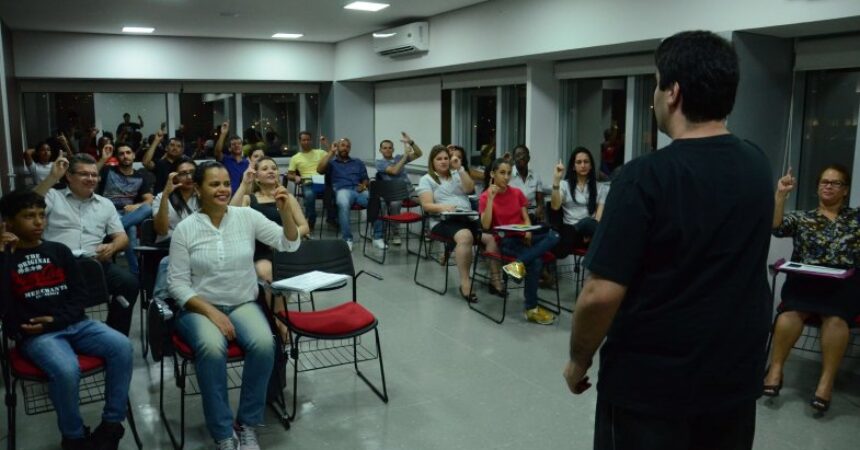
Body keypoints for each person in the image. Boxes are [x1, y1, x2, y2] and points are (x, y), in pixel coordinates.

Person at [563, 31, 773, 450]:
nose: (652, 98)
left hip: (653, 389)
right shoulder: (756, 163)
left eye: (656, 84)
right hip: (734, 376)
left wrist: (578, 359)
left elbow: (599, 295)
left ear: (673, 92)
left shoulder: (643, 177)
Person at [167, 161, 300, 450]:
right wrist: (212, 312)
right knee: (212, 349)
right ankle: (223, 431)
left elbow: (288, 243)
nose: (223, 189)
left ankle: (247, 423)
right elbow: (176, 284)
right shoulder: (186, 229)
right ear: (199, 190)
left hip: (242, 303)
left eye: (226, 183)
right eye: (214, 184)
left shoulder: (246, 216)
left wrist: (285, 211)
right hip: (199, 307)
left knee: (266, 345)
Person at [0, 190, 133, 450]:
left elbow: (79, 296)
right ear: (9, 223)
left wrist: (55, 319)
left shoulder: (58, 251)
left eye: (41, 215)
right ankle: (73, 437)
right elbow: (4, 307)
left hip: (76, 324)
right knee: (66, 369)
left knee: (122, 347)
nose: (39, 222)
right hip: (38, 335)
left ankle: (111, 425)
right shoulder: (5, 260)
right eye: (29, 216)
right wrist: (4, 256)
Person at [765, 164, 860, 413]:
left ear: (845, 190)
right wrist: (780, 195)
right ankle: (775, 371)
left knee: (836, 320)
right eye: (824, 182)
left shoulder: (856, 218)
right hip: (804, 280)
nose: (828, 186)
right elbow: (776, 227)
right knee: (790, 314)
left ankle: (825, 382)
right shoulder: (803, 217)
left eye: (835, 182)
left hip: (843, 284)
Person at [33, 153, 139, 336]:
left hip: (94, 262)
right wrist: (52, 177)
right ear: (68, 176)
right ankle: (56, 331)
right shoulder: (52, 197)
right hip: (56, 265)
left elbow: (122, 237)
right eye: (84, 174)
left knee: (129, 283)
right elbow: (26, 205)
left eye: (94, 175)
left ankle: (114, 334)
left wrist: (112, 247)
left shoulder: (105, 204)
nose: (91, 179)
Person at [231, 157, 310, 340]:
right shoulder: (248, 199)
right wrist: (244, 184)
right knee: (268, 274)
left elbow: (304, 227)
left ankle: (274, 322)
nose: (271, 171)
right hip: (258, 252)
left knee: (279, 277)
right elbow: (231, 214)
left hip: (285, 249)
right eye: (265, 168)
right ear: (256, 177)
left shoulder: (286, 197)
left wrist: (280, 236)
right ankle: (281, 324)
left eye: (274, 168)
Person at [479, 157, 559, 325]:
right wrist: (491, 198)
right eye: (502, 173)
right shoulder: (486, 197)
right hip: (506, 241)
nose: (506, 177)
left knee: (555, 235)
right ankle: (531, 309)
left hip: (523, 236)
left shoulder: (516, 193)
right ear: (493, 174)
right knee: (535, 262)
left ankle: (517, 264)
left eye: (509, 173)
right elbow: (486, 225)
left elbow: (525, 218)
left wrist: (529, 231)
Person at [417, 145, 498, 302]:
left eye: (446, 158)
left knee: (491, 238)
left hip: (466, 217)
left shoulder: (456, 174)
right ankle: (465, 283)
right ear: (432, 162)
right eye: (439, 159)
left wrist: (460, 168)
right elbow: (426, 205)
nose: (443, 162)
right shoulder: (427, 179)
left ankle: (495, 281)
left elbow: (469, 189)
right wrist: (444, 207)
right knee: (465, 236)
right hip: (442, 220)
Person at [96, 143, 154, 275]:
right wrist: (103, 159)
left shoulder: (140, 176)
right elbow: (93, 171)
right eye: (121, 154)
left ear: (133, 155)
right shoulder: (108, 170)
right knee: (131, 228)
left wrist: (136, 206)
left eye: (128, 153)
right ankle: (136, 273)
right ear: (117, 157)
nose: (125, 156)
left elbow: (149, 200)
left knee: (147, 209)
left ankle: (105, 235)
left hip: (128, 212)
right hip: (108, 210)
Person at [317, 138, 382, 250]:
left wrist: (364, 185)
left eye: (347, 146)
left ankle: (377, 237)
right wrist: (331, 152)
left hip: (358, 190)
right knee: (343, 202)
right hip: (342, 190)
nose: (345, 148)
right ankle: (347, 239)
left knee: (376, 200)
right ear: (337, 147)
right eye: (342, 145)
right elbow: (319, 170)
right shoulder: (331, 163)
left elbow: (365, 178)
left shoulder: (358, 162)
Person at [150, 157, 199, 301]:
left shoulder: (203, 195)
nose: (189, 177)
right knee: (169, 260)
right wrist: (166, 194)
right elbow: (161, 230)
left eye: (192, 172)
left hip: (198, 246)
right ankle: (160, 304)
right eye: (183, 173)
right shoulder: (161, 197)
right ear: (175, 176)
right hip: (169, 246)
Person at [549, 147, 608, 257]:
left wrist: (590, 234)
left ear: (591, 166)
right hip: (571, 231)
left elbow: (598, 218)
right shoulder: (564, 185)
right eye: (579, 162)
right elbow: (555, 206)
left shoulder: (600, 187)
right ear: (573, 166)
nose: (583, 165)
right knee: (583, 224)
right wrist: (556, 179)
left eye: (586, 162)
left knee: (589, 223)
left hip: (590, 234)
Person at [375, 132, 423, 245]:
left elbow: (419, 153)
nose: (387, 150)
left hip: (409, 190)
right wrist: (405, 156)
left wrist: (411, 142)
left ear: (393, 149)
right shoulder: (379, 163)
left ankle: (426, 231)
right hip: (394, 192)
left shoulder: (398, 158)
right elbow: (394, 171)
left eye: (390, 148)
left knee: (427, 201)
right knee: (394, 204)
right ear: (380, 150)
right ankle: (395, 234)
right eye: (384, 148)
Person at [287, 131, 328, 232]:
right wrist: (295, 177)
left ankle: (332, 219)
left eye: (308, 140)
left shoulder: (320, 152)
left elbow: (333, 152)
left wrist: (326, 143)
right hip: (307, 182)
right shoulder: (295, 158)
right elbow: (289, 175)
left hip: (321, 181)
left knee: (333, 193)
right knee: (309, 195)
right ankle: (311, 220)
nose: (306, 142)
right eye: (304, 140)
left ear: (311, 140)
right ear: (300, 141)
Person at [142, 128, 186, 194]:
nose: (175, 148)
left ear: (182, 150)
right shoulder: (160, 163)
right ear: (166, 148)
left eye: (178, 146)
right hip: (160, 197)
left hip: (180, 197)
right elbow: (146, 162)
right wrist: (156, 140)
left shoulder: (185, 164)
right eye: (172, 145)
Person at [508, 145, 544, 223]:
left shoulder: (536, 176)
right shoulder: (508, 175)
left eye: (523, 154)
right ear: (514, 159)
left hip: (532, 216)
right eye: (518, 155)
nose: (521, 157)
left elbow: (540, 200)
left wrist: (539, 208)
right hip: (514, 215)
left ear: (528, 158)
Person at [214, 121, 250, 194]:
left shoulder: (247, 163)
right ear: (229, 148)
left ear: (242, 146)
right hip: (227, 196)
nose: (237, 145)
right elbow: (217, 151)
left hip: (243, 197)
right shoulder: (225, 159)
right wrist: (223, 134)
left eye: (239, 143)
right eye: (234, 144)